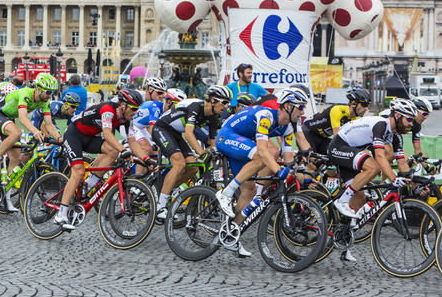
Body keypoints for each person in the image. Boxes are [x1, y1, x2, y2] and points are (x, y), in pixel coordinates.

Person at [214, 88, 309, 257]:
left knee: (249, 191)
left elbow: (287, 157)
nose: (303, 112)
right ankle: (225, 194)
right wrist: (278, 170)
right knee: (260, 157)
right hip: (227, 136)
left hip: (242, 143)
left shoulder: (287, 128)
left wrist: (300, 174)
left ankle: (230, 235)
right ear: (287, 106)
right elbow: (263, 151)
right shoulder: (266, 116)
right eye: (300, 107)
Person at [53, 89, 152, 229]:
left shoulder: (125, 119)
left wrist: (146, 159)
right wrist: (123, 150)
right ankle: (61, 214)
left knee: (112, 151)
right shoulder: (108, 110)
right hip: (74, 135)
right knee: (79, 172)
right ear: (123, 105)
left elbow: (133, 142)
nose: (135, 112)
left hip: (89, 138)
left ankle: (89, 184)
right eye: (134, 108)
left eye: (137, 108)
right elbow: (106, 134)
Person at [327, 98, 416, 219]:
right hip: (338, 147)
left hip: (351, 152)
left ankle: (346, 230)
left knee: (359, 197)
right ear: (398, 115)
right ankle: (342, 201)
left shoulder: (396, 137)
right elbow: (380, 156)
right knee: (373, 167)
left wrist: (413, 182)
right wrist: (394, 179)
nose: (412, 124)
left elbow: (402, 163)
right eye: (409, 119)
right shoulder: (381, 125)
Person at [0, 73, 62, 211]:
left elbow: (49, 124)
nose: (50, 95)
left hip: (9, 118)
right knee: (17, 132)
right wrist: (35, 131)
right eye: (48, 92)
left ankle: (6, 198)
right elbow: (22, 118)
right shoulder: (26, 93)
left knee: (16, 158)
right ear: (38, 88)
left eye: (53, 93)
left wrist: (60, 138)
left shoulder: (44, 101)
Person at [152, 85, 230, 220]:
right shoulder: (196, 107)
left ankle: (166, 189)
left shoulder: (213, 117)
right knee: (179, 163)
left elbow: (212, 141)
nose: (226, 106)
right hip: (161, 129)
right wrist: (202, 153)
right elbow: (189, 134)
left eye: (228, 103)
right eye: (224, 102)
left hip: (175, 133)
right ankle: (160, 207)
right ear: (212, 100)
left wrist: (220, 152)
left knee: (193, 167)